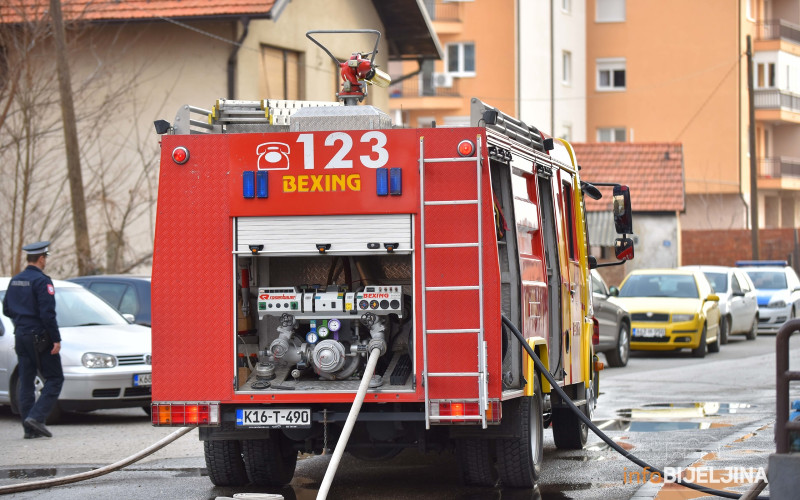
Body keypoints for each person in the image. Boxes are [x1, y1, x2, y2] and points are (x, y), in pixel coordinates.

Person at [2, 241, 63, 438]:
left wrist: (22, 321)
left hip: (20, 335)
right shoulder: (42, 281)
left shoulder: (15, 280)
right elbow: (48, 314)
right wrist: (55, 339)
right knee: (55, 379)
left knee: (26, 381)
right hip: (40, 337)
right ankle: (36, 417)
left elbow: (7, 309)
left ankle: (29, 429)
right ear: (41, 258)